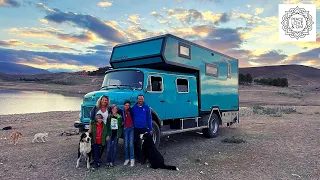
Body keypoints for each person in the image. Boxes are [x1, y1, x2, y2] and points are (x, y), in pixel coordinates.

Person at [88, 95, 111, 163]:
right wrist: (90, 129)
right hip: (96, 128)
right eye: (103, 99)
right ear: (100, 100)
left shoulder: (108, 109)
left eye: (106, 100)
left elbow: (114, 113)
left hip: (104, 128)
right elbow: (91, 119)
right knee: (94, 144)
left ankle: (98, 158)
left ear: (107, 102)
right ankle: (94, 159)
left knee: (103, 144)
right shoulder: (95, 108)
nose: (104, 101)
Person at [131, 95, 152, 163]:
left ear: (143, 99)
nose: (141, 100)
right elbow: (131, 117)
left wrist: (150, 129)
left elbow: (149, 118)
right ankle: (138, 158)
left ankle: (146, 157)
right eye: (139, 99)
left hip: (144, 128)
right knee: (137, 143)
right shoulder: (134, 108)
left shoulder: (146, 107)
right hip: (136, 128)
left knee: (146, 144)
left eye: (142, 99)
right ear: (137, 100)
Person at [122, 100, 135, 167]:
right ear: (124, 105)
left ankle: (132, 159)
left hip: (131, 128)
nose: (127, 107)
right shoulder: (122, 111)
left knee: (131, 143)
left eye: (128, 105)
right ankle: (127, 158)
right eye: (126, 105)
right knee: (126, 144)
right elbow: (113, 110)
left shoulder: (131, 111)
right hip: (125, 128)